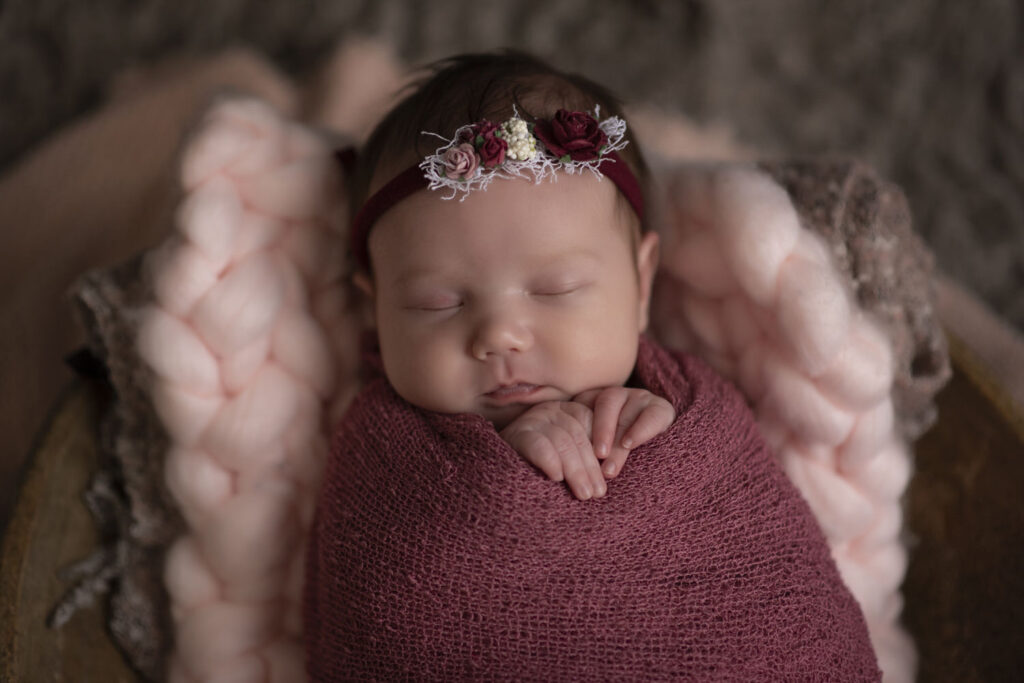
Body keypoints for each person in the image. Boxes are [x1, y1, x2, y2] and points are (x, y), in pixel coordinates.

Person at [304, 51, 880, 680]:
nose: (499, 335)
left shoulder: (689, 408)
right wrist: (501, 467)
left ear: (641, 283)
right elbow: (390, 607)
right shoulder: (383, 455)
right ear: (377, 309)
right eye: (437, 302)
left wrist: (646, 431)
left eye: (554, 290)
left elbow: (766, 573)